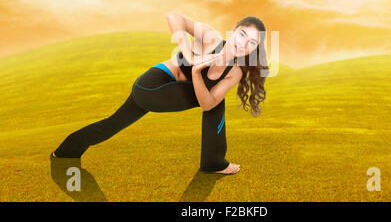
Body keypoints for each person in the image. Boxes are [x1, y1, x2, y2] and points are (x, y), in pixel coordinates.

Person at [52, 12, 269, 175]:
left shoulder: (235, 72)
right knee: (215, 102)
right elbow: (174, 16)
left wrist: (195, 72)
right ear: (234, 29)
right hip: (151, 87)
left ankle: (64, 152)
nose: (243, 43)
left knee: (112, 124)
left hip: (165, 95)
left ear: (254, 49)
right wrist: (188, 55)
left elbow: (206, 105)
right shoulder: (210, 38)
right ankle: (213, 162)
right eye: (242, 35)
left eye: (252, 43)